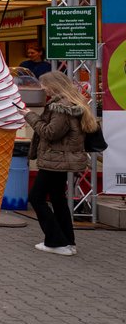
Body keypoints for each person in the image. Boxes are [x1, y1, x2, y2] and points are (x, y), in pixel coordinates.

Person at [20, 72, 98, 256]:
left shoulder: (60, 107)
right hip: (61, 159)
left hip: (55, 159)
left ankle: (56, 241)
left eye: (44, 85)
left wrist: (30, 116)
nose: (43, 89)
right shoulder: (73, 103)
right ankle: (68, 241)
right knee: (57, 198)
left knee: (37, 197)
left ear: (54, 86)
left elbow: (50, 133)